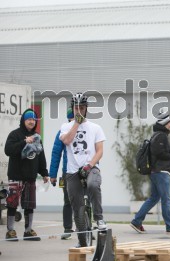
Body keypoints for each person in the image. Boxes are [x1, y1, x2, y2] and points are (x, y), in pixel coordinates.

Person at [60, 93, 107, 246]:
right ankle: (82, 240)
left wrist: (89, 165)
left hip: (91, 167)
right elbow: (66, 141)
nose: (78, 111)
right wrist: (76, 124)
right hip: (72, 170)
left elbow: (99, 151)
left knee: (93, 185)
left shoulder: (96, 127)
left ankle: (99, 218)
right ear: (72, 109)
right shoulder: (65, 127)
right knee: (76, 205)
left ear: (86, 109)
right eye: (76, 108)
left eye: (81, 108)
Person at [130, 111, 170, 234]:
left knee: (154, 198)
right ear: (165, 123)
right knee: (166, 200)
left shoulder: (158, 134)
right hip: (161, 172)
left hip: (157, 172)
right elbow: (158, 152)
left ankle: (137, 221)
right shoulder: (161, 136)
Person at [4, 109, 49, 241]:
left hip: (30, 177)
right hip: (15, 176)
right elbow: (8, 150)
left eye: (33, 119)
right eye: (29, 119)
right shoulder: (15, 134)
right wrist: (25, 141)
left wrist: (44, 173)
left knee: (29, 205)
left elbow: (40, 157)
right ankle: (10, 231)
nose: (31, 121)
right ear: (23, 120)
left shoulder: (37, 137)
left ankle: (28, 231)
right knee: (12, 204)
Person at [49, 108, 75, 240]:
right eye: (71, 119)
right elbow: (56, 153)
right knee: (67, 200)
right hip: (67, 172)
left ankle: (87, 228)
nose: (73, 121)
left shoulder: (86, 131)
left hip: (83, 171)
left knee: (86, 201)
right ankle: (67, 227)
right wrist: (52, 175)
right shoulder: (62, 132)